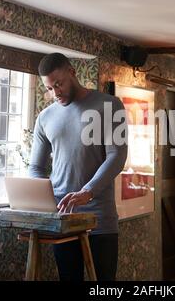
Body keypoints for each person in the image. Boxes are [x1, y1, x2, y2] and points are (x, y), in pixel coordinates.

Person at [28, 53, 128, 281]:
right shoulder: (45, 118)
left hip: (100, 219)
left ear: (72, 73)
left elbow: (117, 156)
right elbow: (36, 167)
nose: (55, 93)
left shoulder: (109, 105)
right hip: (62, 219)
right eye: (49, 88)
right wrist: (39, 197)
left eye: (59, 84)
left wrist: (87, 191)